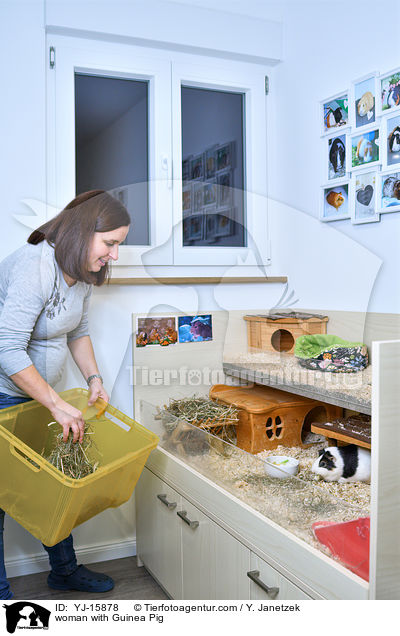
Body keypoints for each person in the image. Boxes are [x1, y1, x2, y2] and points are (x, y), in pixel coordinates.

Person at [0, 190, 130, 599]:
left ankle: (64, 571)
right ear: (81, 231)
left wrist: (94, 379)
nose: (114, 255)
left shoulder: (82, 274)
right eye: (110, 243)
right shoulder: (32, 266)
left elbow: (79, 330)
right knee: (2, 493)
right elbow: (6, 348)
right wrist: (56, 405)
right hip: (6, 394)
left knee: (54, 483)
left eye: (118, 245)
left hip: (39, 396)